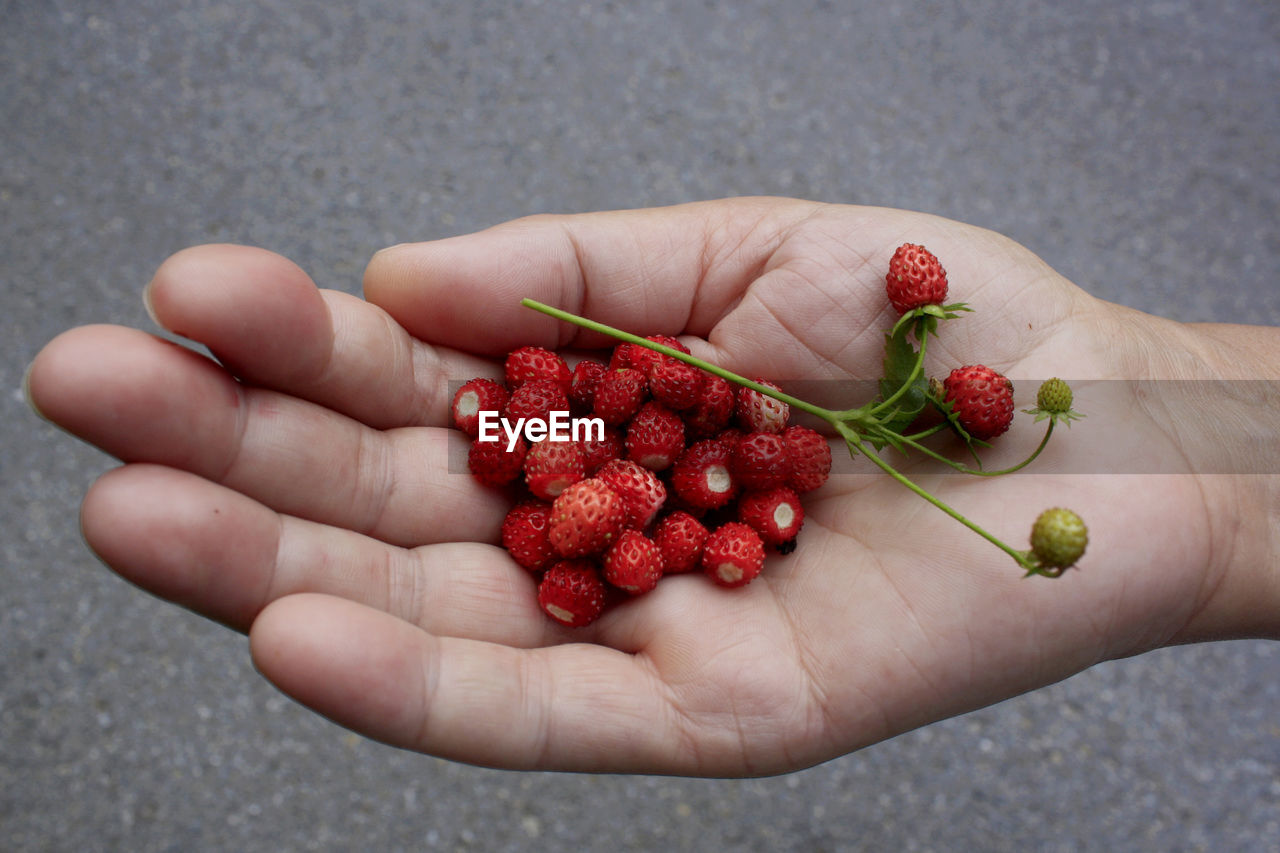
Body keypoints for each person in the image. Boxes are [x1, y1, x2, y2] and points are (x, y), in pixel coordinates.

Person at [25, 197, 1279, 776]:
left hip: (644, 467)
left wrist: (1163, 429)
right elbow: (597, 456)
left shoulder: (726, 457)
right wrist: (1171, 418)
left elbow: (680, 469)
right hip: (614, 455)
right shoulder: (599, 439)